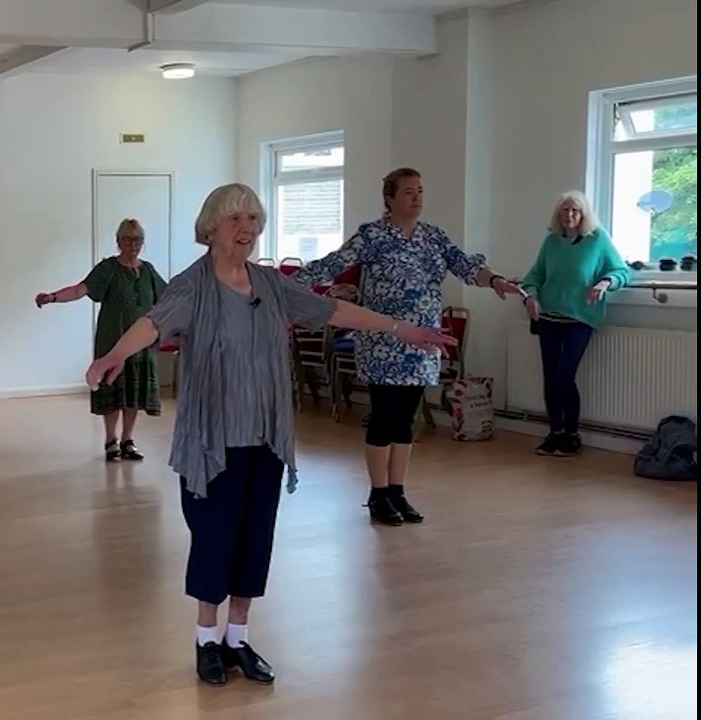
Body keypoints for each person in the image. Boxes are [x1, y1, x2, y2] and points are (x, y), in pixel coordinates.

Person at [85, 183, 456, 687]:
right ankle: (206, 640)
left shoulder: (270, 284)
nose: (248, 229)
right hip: (213, 441)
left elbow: (331, 311)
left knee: (255, 538)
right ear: (211, 227)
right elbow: (152, 323)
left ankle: (238, 639)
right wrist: (114, 355)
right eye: (236, 219)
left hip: (266, 437)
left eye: (254, 219)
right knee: (214, 539)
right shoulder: (193, 285)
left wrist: (400, 328)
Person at [292, 167, 523, 527]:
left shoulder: (433, 237)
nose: (417, 198)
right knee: (384, 417)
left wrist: (494, 280)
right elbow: (334, 263)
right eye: (408, 192)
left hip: (422, 343)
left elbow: (465, 266)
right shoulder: (372, 236)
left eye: (420, 191)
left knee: (405, 420)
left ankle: (397, 491)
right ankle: (378, 493)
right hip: (383, 342)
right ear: (389, 198)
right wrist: (287, 287)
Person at [36, 218, 168, 462]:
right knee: (113, 391)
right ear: (118, 241)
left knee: (133, 392)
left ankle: (128, 440)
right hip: (112, 340)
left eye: (138, 239)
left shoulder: (148, 270)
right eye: (127, 239)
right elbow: (80, 289)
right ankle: (111, 441)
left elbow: (167, 298)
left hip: (141, 344)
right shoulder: (109, 268)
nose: (133, 244)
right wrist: (52, 297)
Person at [519, 190, 632, 456]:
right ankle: (554, 432)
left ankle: (571, 434)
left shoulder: (598, 239)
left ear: (583, 214)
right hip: (548, 318)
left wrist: (605, 283)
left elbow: (621, 271)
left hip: (579, 318)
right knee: (550, 376)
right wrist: (530, 296)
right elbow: (533, 276)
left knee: (564, 375)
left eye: (575, 210)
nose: (569, 215)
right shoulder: (551, 242)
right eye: (565, 210)